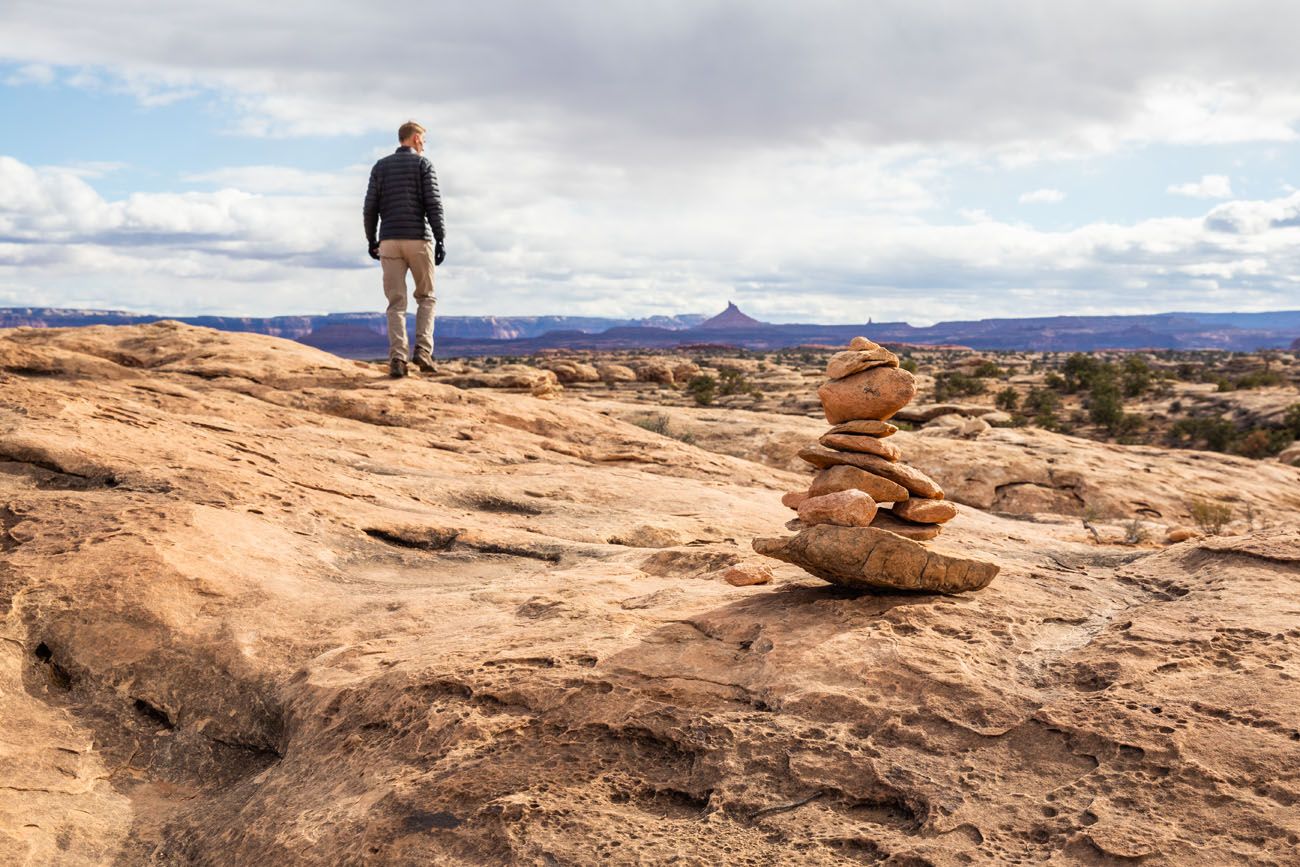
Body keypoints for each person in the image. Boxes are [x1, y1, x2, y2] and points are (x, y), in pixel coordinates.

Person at [363, 120, 447, 378]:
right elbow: (433, 203)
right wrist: (440, 238)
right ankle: (423, 351)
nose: (424, 144)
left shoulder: (380, 166)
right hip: (418, 240)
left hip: (389, 241)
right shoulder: (423, 164)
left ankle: (398, 359)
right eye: (423, 139)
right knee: (426, 297)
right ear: (415, 139)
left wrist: (372, 240)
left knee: (396, 303)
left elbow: (370, 207)